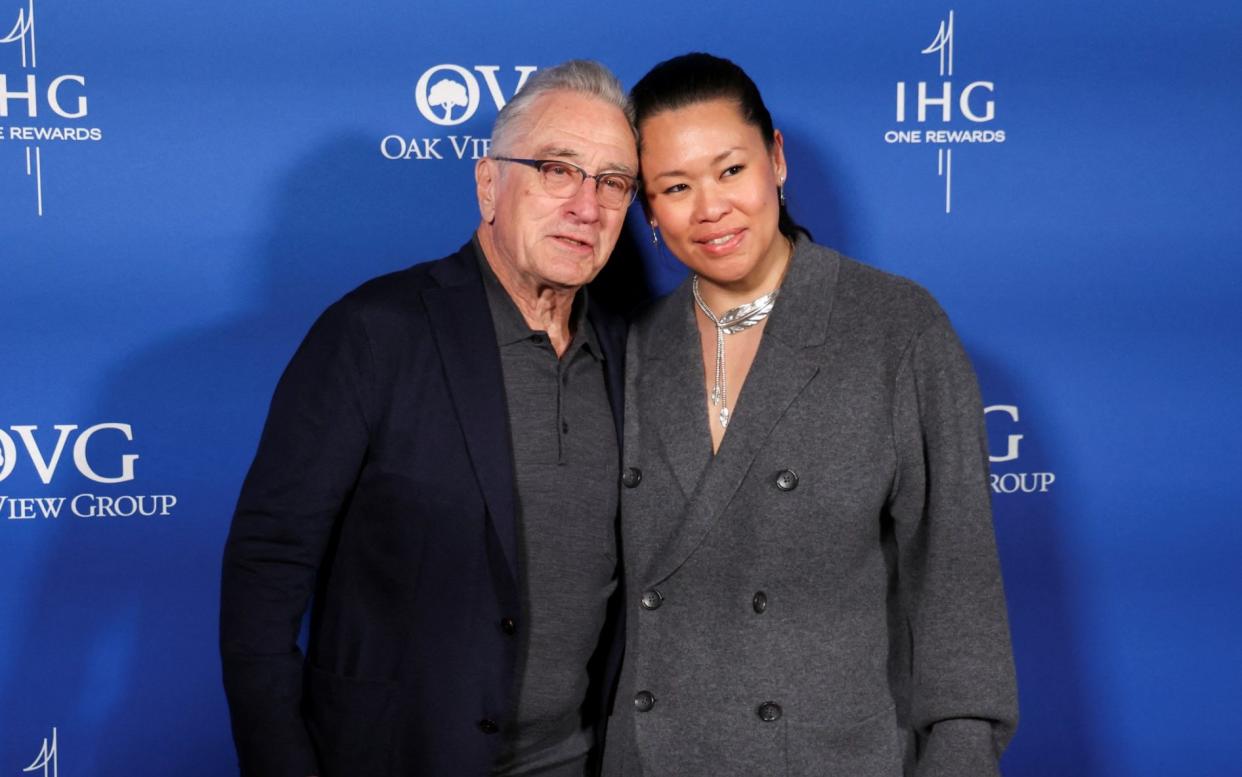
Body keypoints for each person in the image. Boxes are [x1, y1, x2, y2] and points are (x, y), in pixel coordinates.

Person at [220, 60, 639, 777]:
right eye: (556, 168)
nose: (586, 205)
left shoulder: (635, 355)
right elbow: (266, 571)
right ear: (488, 184)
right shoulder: (374, 333)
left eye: (613, 182)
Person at [603, 53, 1018, 777]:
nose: (710, 208)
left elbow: (957, 594)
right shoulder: (632, 346)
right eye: (675, 186)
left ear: (776, 159)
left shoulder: (897, 328)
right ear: (647, 210)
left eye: (731, 170)